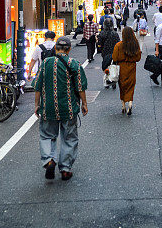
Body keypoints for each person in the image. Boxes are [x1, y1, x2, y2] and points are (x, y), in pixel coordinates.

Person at [33, 36, 88, 181]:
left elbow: (38, 85)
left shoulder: (46, 63)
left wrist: (37, 104)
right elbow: (81, 86)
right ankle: (65, 169)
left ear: (56, 48)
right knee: (69, 138)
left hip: (48, 108)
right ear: (69, 49)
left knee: (47, 135)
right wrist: (84, 104)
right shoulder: (74, 63)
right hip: (68, 108)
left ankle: (49, 160)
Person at [112, 26, 142, 115]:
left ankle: (123, 105)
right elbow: (138, 58)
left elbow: (114, 57)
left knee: (122, 86)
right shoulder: (135, 45)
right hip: (132, 67)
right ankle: (130, 103)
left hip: (121, 67)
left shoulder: (119, 45)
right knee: (131, 85)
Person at [97, 18, 120, 89]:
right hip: (114, 52)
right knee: (113, 65)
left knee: (106, 66)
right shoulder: (115, 33)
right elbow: (118, 43)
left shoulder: (102, 33)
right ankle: (113, 80)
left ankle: (107, 80)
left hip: (105, 52)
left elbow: (99, 44)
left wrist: (100, 49)